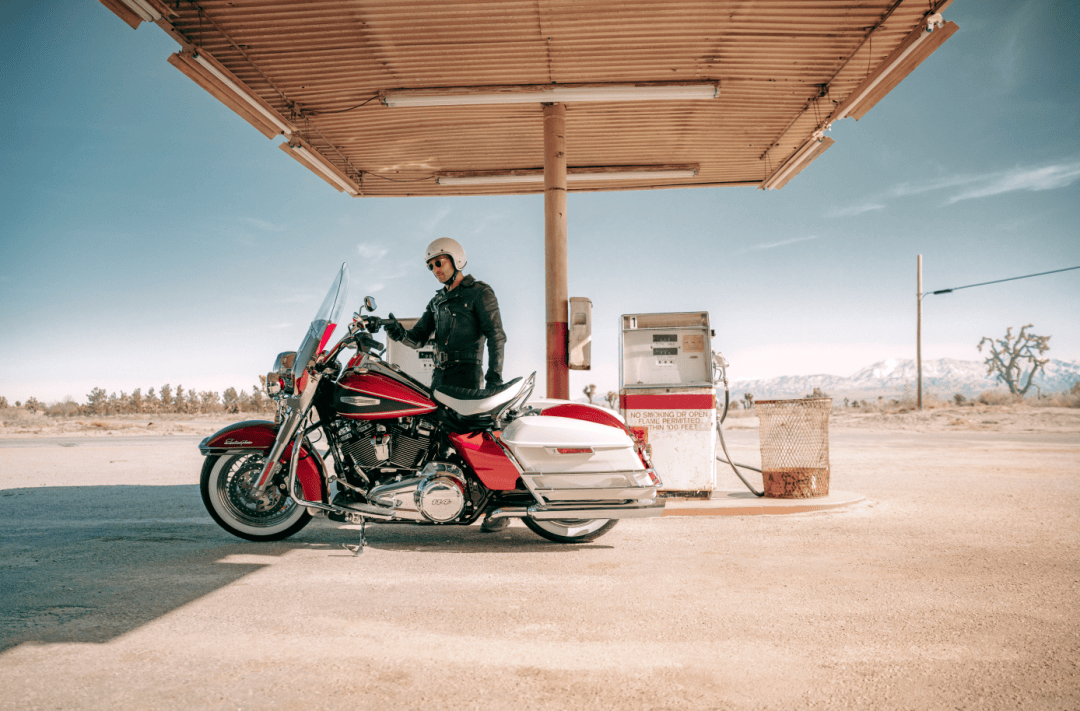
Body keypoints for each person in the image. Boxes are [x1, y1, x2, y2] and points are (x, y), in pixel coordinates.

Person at [385, 237, 506, 393]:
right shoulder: (436, 301)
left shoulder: (479, 292)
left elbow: (496, 336)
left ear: (456, 259)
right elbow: (419, 338)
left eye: (438, 263)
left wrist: (494, 382)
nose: (435, 270)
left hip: (467, 376)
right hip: (439, 376)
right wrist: (399, 333)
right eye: (430, 266)